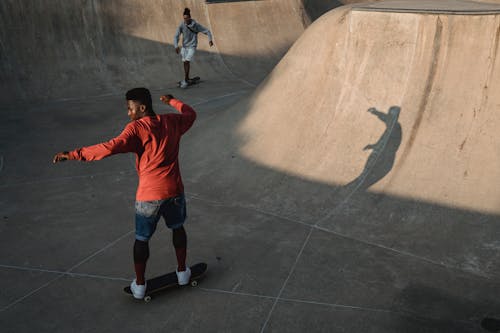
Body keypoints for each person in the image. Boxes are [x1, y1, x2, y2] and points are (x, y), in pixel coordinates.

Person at [53, 88, 196, 299]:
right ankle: (183, 272)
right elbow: (190, 114)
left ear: (142, 108)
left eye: (130, 109)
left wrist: (74, 154)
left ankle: (139, 286)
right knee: (177, 228)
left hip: (148, 197)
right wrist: (172, 101)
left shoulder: (136, 128)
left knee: (142, 240)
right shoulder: (172, 121)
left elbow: (109, 147)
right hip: (174, 191)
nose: (128, 113)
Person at [174, 7, 214, 88]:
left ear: (190, 17)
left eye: (186, 18)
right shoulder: (182, 25)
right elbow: (176, 36)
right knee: (184, 62)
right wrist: (176, 45)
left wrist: (210, 40)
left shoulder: (196, 25)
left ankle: (185, 79)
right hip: (184, 47)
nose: (185, 20)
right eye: (184, 18)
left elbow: (207, 31)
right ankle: (187, 78)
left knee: (187, 61)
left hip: (192, 46)